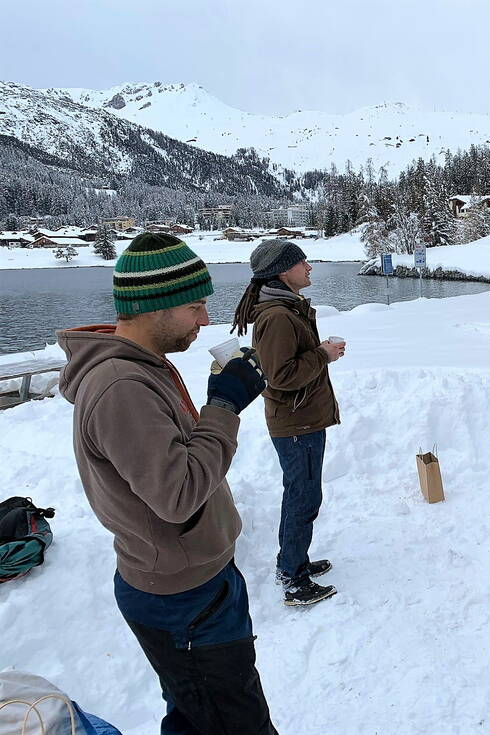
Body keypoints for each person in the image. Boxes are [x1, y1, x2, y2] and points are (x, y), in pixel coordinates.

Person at [57, 233, 277, 734]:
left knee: (198, 712)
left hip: (197, 584)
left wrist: (221, 401)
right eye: (196, 306)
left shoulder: (143, 370)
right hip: (184, 599)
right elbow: (177, 496)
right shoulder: (121, 386)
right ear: (151, 307)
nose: (205, 319)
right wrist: (223, 405)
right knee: (232, 722)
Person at [231, 239, 343, 607]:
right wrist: (322, 354)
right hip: (297, 424)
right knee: (303, 497)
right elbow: (280, 376)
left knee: (303, 494)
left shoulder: (285, 308)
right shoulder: (278, 315)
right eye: (302, 262)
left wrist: (318, 354)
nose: (309, 267)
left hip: (300, 418)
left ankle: (294, 561)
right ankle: (293, 578)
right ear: (283, 271)